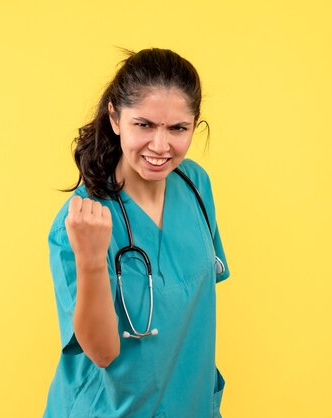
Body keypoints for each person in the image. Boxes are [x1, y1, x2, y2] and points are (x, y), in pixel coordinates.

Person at [43, 48, 230, 418]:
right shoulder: (80, 222)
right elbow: (103, 352)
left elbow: (187, 310)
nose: (160, 147)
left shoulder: (195, 186)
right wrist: (93, 259)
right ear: (115, 118)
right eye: (143, 125)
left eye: (178, 128)